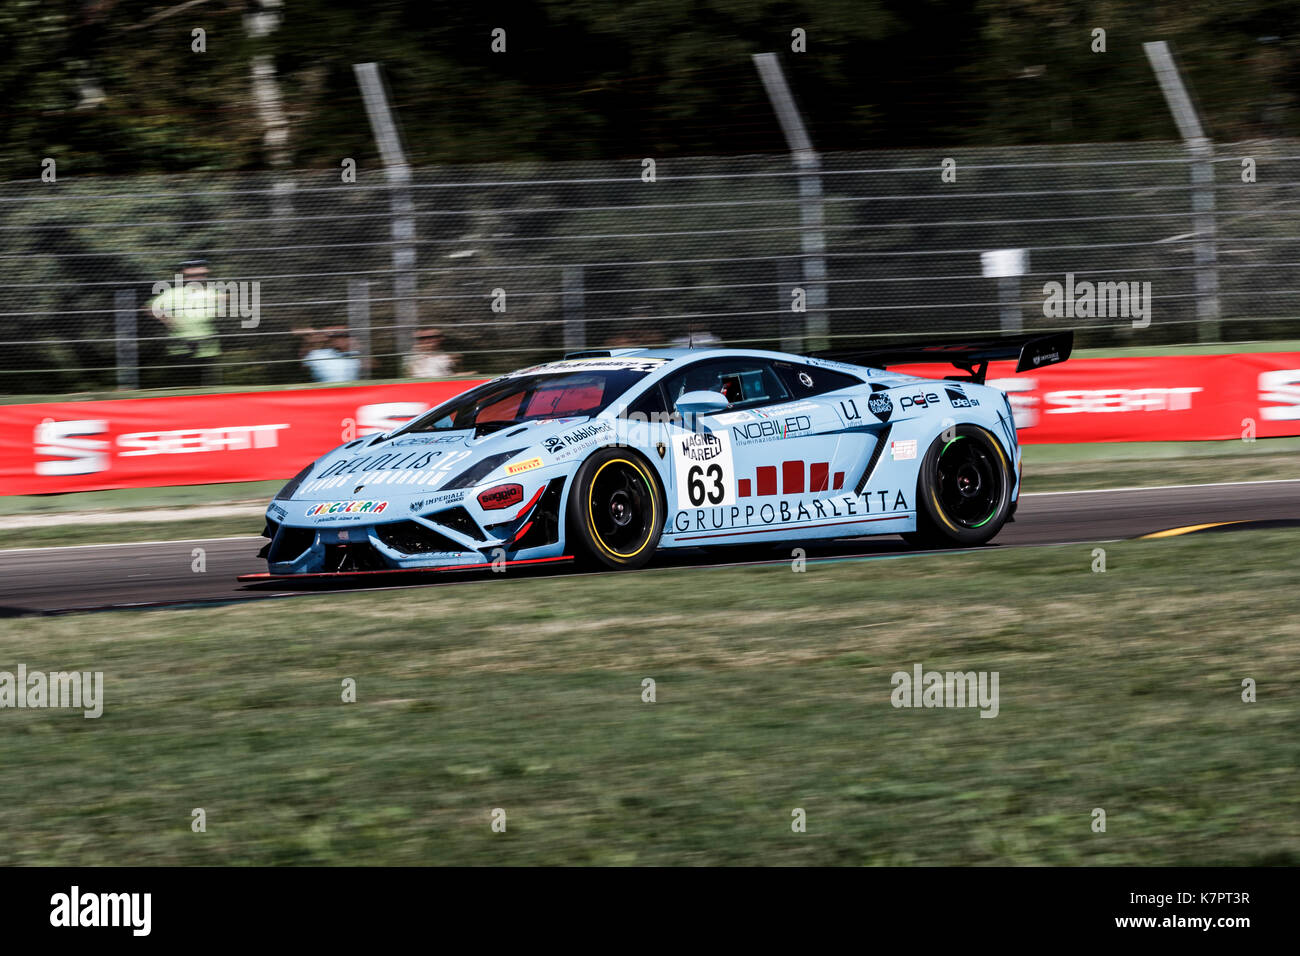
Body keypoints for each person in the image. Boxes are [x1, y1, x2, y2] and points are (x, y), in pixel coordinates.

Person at [147, 259, 223, 386]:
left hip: (207, 344)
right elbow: (150, 307)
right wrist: (168, 320)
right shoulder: (173, 293)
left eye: (201, 275)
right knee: (184, 383)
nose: (198, 278)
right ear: (185, 277)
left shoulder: (211, 293)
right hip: (181, 344)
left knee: (208, 384)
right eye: (193, 276)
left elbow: (220, 307)